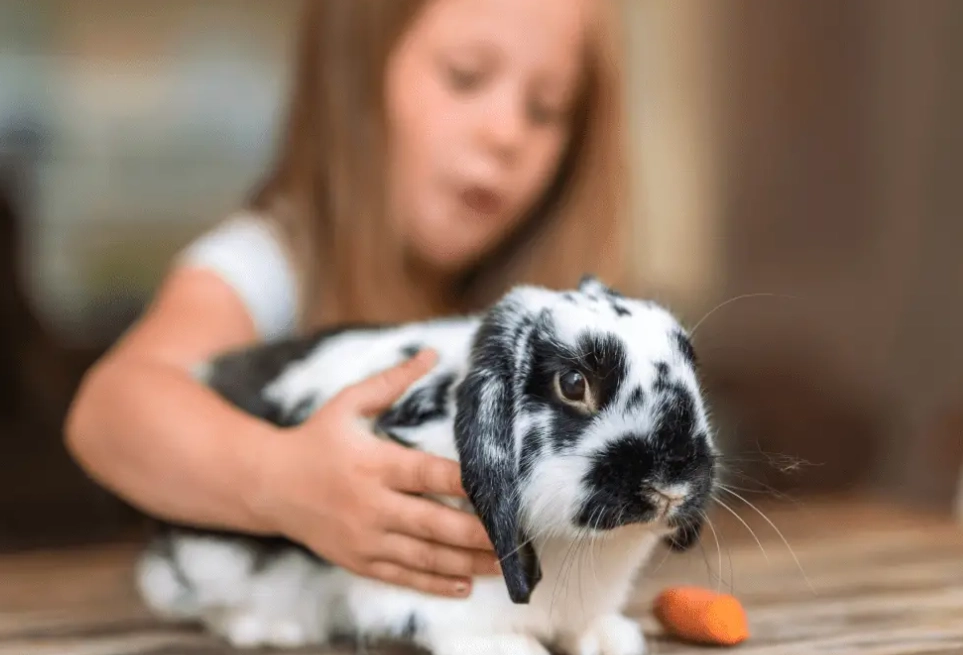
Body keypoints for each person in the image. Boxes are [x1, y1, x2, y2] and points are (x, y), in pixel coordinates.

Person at [64, 0, 630, 600]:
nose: (506, 133)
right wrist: (278, 480)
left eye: (546, 109)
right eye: (465, 76)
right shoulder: (272, 262)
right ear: (351, 81)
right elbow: (109, 414)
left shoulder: (539, 314)